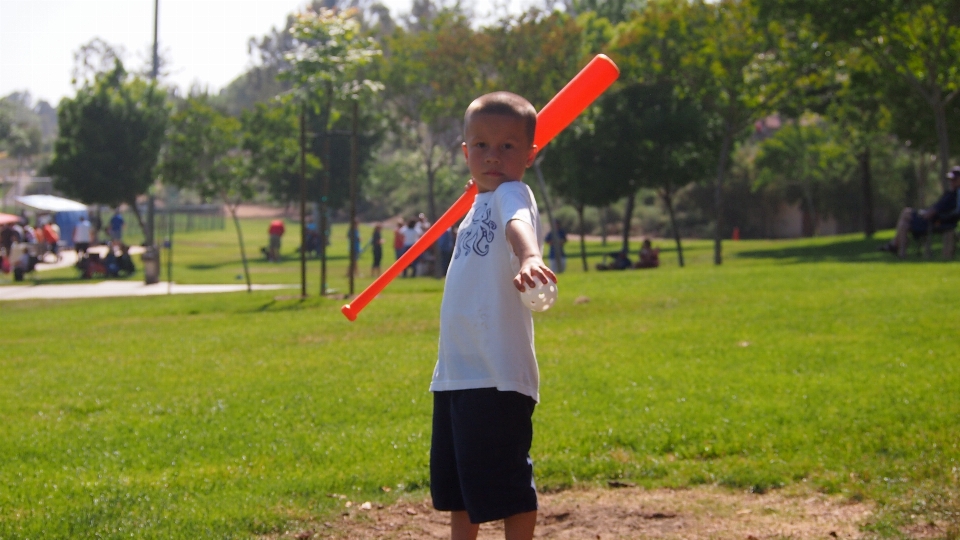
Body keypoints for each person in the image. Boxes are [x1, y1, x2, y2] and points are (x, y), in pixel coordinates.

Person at [430, 91, 555, 540]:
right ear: (465, 152)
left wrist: (529, 257)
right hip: (456, 373)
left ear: (529, 153)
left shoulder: (510, 193)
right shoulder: (473, 208)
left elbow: (517, 224)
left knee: (506, 486)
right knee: (460, 487)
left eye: (507, 146)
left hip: (497, 374)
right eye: (480, 145)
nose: (492, 156)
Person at [880, 166, 960, 257]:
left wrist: (924, 214)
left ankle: (896, 246)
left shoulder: (952, 196)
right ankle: (900, 251)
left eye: (954, 179)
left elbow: (934, 212)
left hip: (936, 222)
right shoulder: (951, 194)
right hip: (936, 220)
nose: (951, 181)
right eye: (950, 179)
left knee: (906, 212)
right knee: (904, 224)